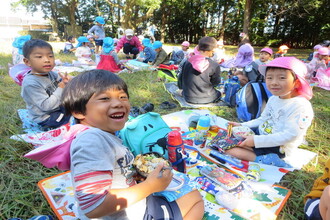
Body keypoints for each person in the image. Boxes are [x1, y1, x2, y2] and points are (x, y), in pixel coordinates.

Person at [61, 69, 204, 220]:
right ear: (78, 111)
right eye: (104, 99)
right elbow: (93, 206)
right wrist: (151, 187)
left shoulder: (103, 133)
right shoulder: (91, 141)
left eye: (122, 97)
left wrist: (135, 176)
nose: (118, 103)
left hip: (132, 201)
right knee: (196, 200)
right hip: (128, 214)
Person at [226, 57, 314, 167]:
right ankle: (255, 150)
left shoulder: (300, 106)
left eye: (282, 78)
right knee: (229, 141)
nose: (274, 83)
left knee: (230, 150)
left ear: (296, 82)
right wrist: (242, 125)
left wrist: (256, 141)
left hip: (280, 147)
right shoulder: (274, 98)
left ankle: (268, 160)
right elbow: (263, 119)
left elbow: (290, 135)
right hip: (261, 136)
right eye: (269, 78)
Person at [21, 39, 71, 129]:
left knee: (80, 108)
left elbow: (63, 80)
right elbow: (46, 107)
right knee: (74, 120)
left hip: (57, 107)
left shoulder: (50, 74)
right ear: (27, 62)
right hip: (46, 117)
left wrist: (67, 80)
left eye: (50, 56)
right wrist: (61, 87)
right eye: (39, 57)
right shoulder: (31, 83)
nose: (47, 60)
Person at [179, 36, 221, 104]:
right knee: (219, 93)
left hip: (188, 96)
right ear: (213, 50)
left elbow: (181, 79)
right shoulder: (214, 65)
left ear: (198, 48)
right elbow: (216, 83)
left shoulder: (188, 61)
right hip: (206, 98)